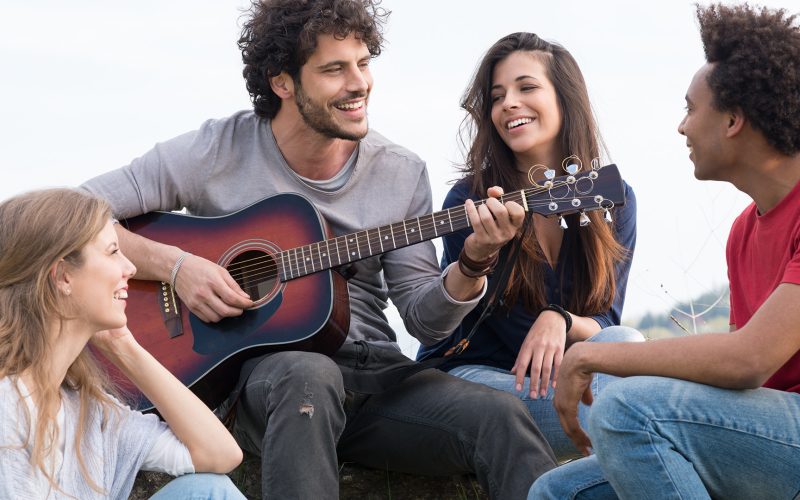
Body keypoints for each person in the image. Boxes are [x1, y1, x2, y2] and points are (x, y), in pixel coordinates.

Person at [81, 0, 559, 498]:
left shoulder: (399, 170)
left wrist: (475, 259)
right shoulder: (217, 150)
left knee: (502, 415)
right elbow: (72, 211)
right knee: (308, 375)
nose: (359, 83)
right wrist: (177, 266)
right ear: (282, 82)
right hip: (270, 384)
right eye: (334, 69)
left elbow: (423, 320)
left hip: (376, 381)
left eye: (364, 63)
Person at [530, 3, 800, 498]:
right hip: (771, 437)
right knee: (555, 493)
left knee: (627, 407)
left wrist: (594, 357)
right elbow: (741, 377)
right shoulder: (745, 231)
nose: (682, 127)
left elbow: (750, 360)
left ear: (734, 120)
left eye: (691, 109)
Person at [417, 32, 642, 461]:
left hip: (564, 372)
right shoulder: (471, 202)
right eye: (497, 96)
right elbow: (510, 334)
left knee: (625, 338)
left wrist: (558, 318)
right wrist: (483, 252)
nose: (509, 104)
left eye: (527, 87)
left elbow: (606, 319)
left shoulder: (614, 197)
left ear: (565, 98)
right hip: (477, 377)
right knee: (628, 412)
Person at [0, 188, 244, 499]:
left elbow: (220, 454)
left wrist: (124, 348)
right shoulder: (8, 401)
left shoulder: (86, 408)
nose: (129, 268)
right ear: (63, 277)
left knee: (209, 491)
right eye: (113, 251)